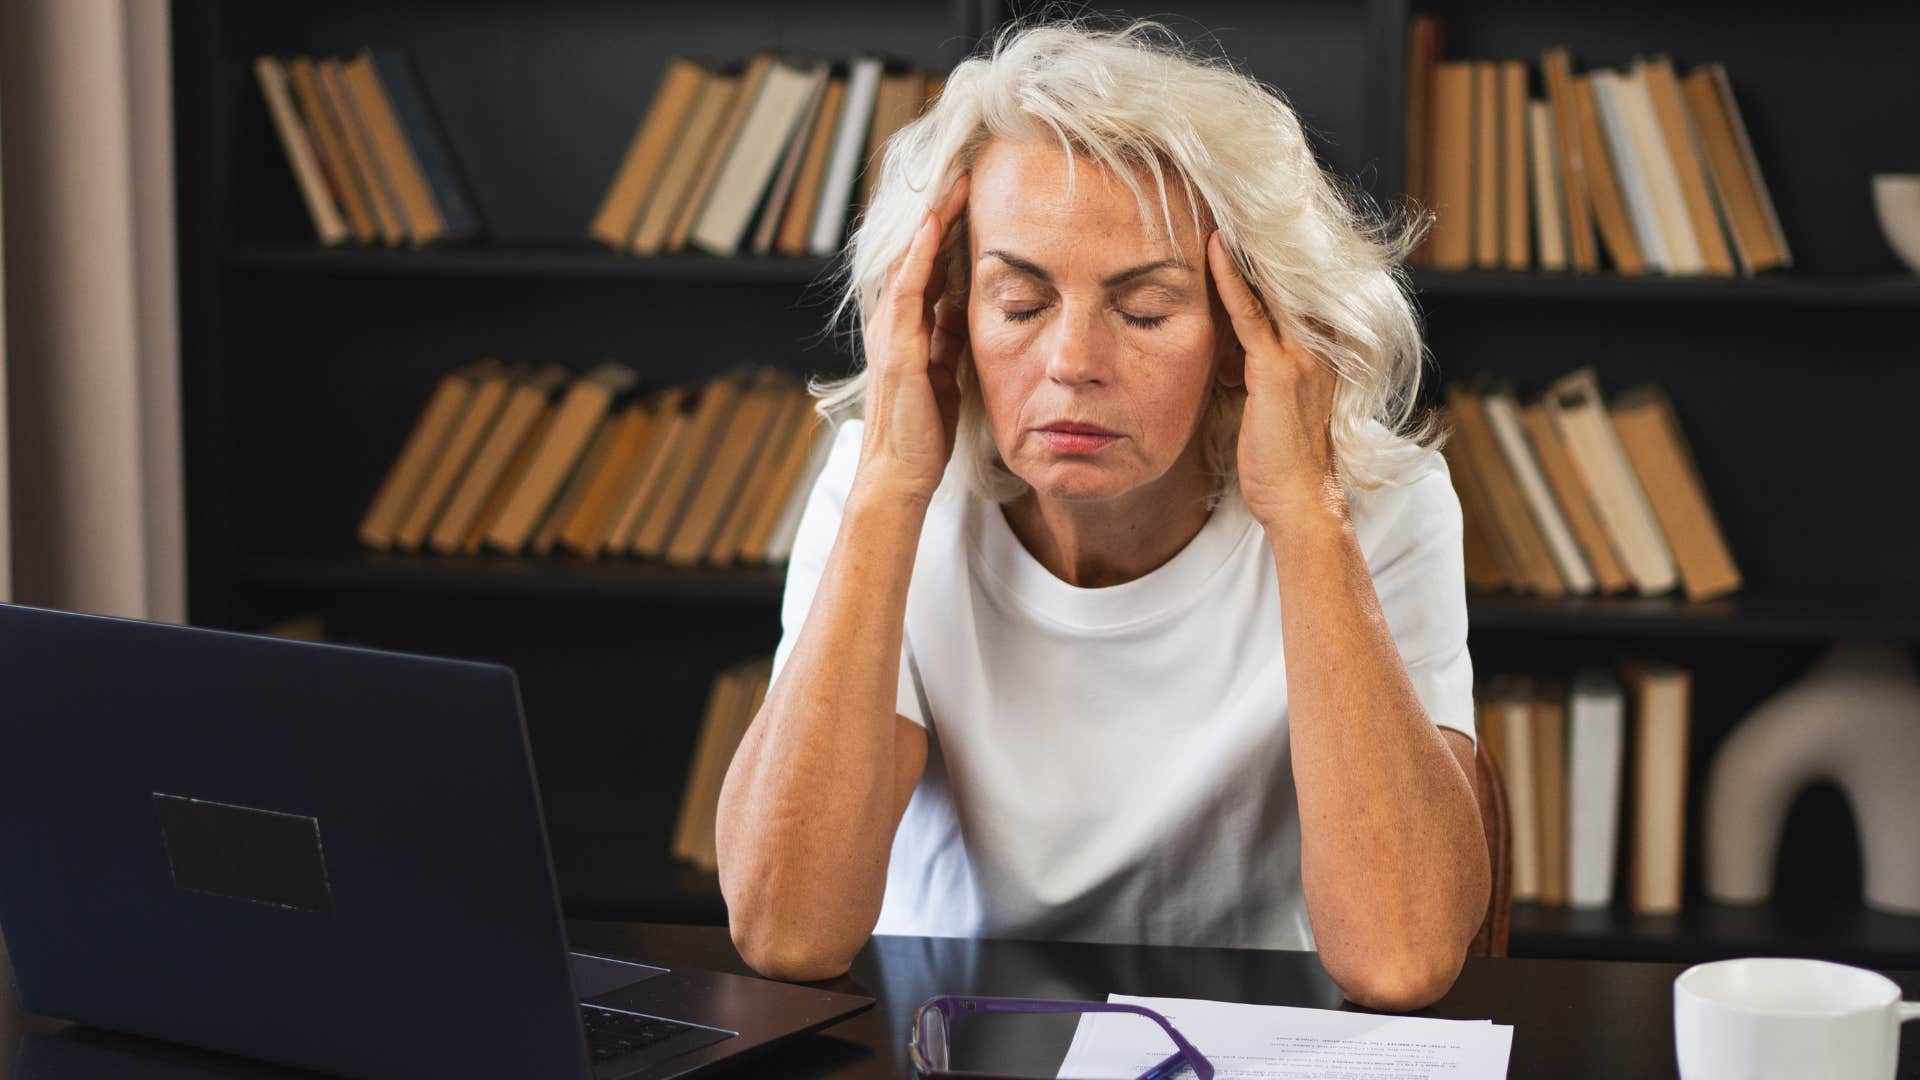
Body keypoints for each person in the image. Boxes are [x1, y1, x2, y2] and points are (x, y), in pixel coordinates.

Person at [713, 17, 1489, 1013]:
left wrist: (1304, 517)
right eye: (1020, 303)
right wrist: (890, 489)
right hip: (949, 1037)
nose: (1073, 362)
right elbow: (786, 931)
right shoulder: (881, 486)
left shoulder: (1380, 505)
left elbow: (1403, 958)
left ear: (1245, 335)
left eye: (1147, 310)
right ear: (947, 310)